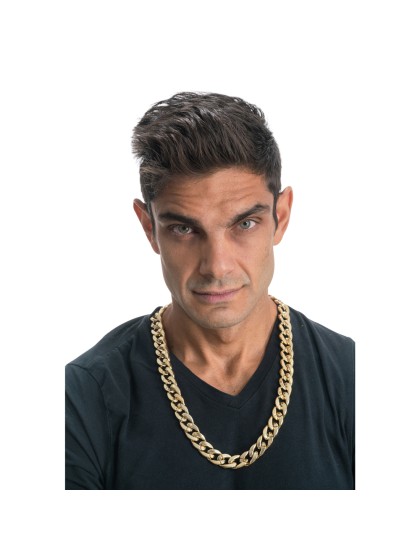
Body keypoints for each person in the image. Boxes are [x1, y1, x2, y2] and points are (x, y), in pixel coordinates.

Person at [65, 92, 355, 490]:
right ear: (149, 228)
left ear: (281, 216)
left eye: (244, 224)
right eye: (184, 229)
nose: (217, 266)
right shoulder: (86, 397)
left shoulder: (353, 379)